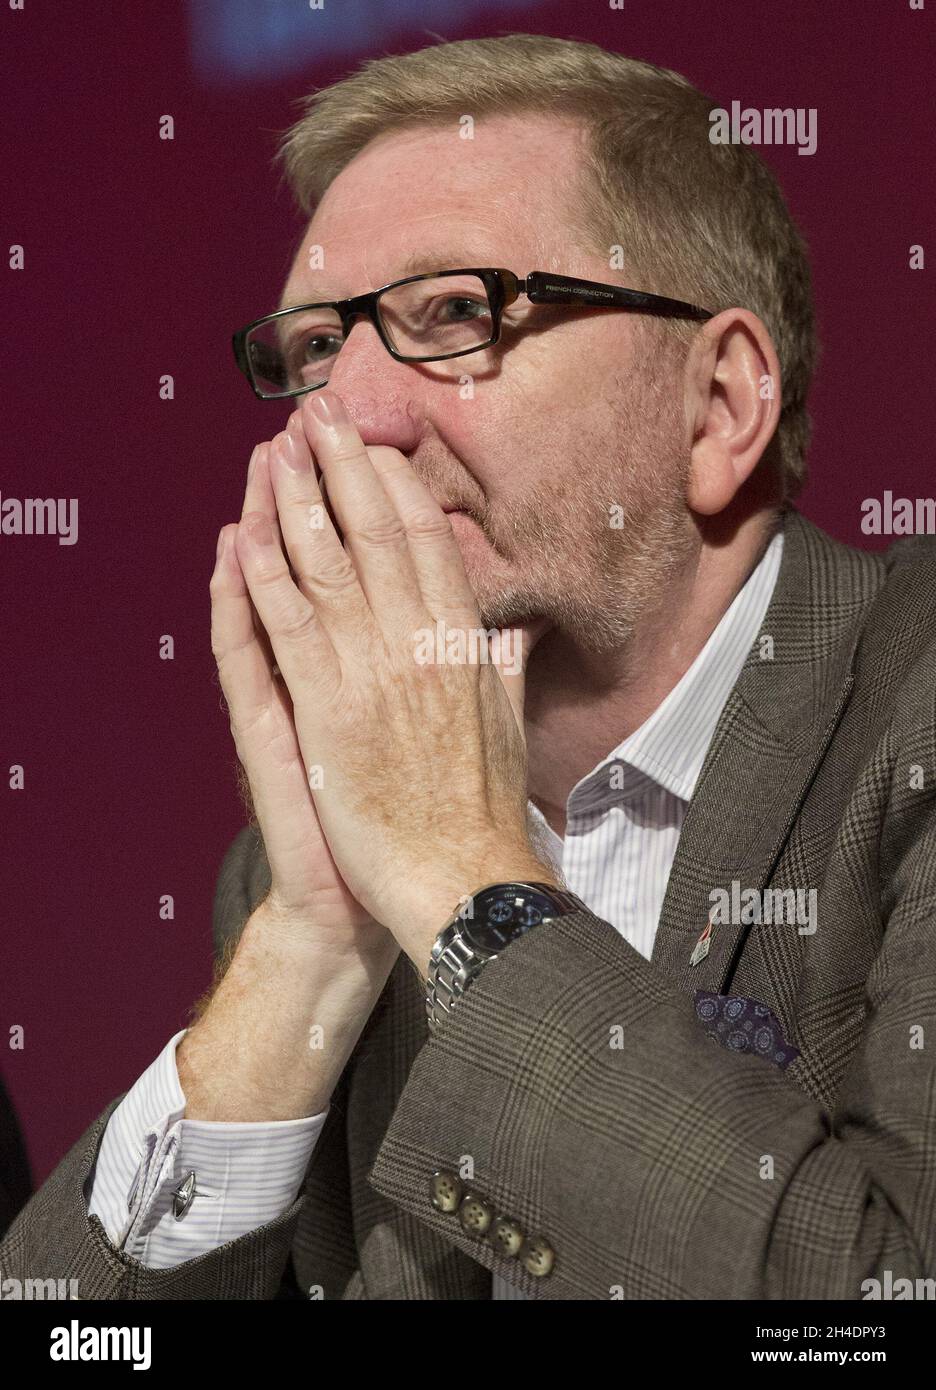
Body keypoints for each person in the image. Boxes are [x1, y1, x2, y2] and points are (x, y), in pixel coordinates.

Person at [3, 33, 935, 1301]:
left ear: (718, 407)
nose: (350, 417)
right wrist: (310, 944)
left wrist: (465, 885)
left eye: (455, 313)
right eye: (319, 349)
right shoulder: (315, 870)